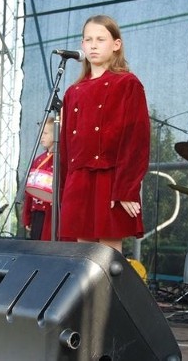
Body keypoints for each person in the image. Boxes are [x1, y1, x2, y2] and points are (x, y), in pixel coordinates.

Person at [59, 15, 150, 254]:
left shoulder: (127, 83)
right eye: (88, 39)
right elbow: (67, 148)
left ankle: (110, 294)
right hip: (79, 179)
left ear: (116, 44)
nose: (93, 45)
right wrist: (64, 190)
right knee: (83, 257)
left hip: (110, 179)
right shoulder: (73, 91)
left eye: (101, 39)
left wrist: (126, 189)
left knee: (109, 256)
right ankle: (89, 294)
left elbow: (136, 140)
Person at [22, 117, 55, 241]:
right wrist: (27, 217)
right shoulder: (38, 160)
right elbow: (29, 191)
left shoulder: (62, 159)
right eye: (40, 133)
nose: (41, 137)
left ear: (57, 133)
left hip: (53, 214)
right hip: (37, 212)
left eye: (45, 133)